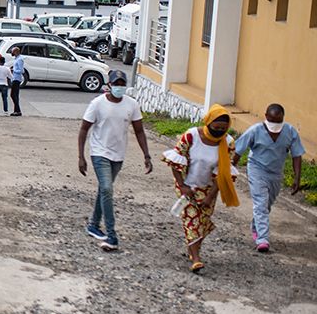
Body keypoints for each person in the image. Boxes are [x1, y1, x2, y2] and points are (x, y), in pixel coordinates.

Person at [77, 70, 153, 252]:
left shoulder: (132, 104)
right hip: (99, 152)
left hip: (118, 155)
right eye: (116, 83)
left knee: (104, 190)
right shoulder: (97, 104)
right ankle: (111, 235)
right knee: (107, 189)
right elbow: (84, 129)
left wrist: (147, 155)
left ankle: (93, 224)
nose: (119, 86)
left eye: (122, 83)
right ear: (109, 85)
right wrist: (81, 156)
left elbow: (140, 131)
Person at [162, 104, 239, 273]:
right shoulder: (191, 136)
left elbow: (223, 174)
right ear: (208, 122)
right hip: (187, 185)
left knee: (202, 221)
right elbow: (176, 161)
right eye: (216, 127)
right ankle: (196, 259)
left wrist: (211, 196)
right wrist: (182, 186)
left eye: (223, 129)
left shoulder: (228, 143)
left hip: (209, 188)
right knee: (192, 220)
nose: (219, 131)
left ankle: (193, 249)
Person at [232, 103, 306, 253]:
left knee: (267, 204)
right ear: (266, 116)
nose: (275, 125)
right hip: (257, 169)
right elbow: (238, 151)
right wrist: (230, 169)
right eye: (272, 121)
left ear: (283, 118)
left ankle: (256, 227)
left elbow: (296, 155)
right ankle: (262, 239)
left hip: (276, 173)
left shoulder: (290, 131)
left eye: (278, 121)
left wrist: (297, 178)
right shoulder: (255, 130)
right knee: (260, 202)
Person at [9, 45, 24, 117]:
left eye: (12, 51)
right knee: (15, 95)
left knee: (13, 95)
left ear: (16, 52)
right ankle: (16, 111)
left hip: (17, 79)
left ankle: (18, 110)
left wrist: (13, 70)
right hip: (14, 78)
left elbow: (21, 70)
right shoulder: (16, 59)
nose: (11, 53)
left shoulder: (20, 59)